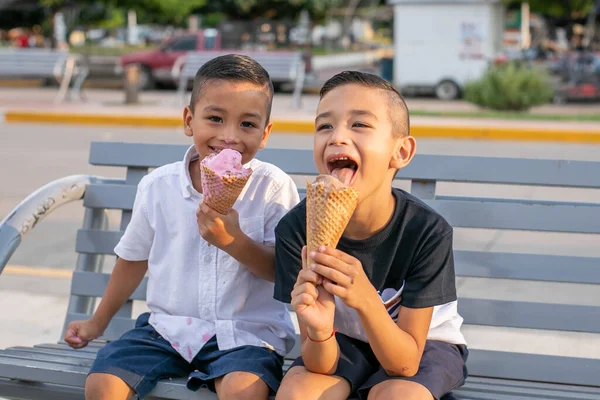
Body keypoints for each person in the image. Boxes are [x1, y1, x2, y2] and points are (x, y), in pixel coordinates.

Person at [64, 54, 299, 400]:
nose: (229, 136)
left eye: (247, 125)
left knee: (244, 390)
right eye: (215, 119)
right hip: (167, 330)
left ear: (265, 134)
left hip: (244, 334)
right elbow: (132, 259)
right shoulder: (159, 186)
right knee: (102, 384)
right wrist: (97, 322)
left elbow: (283, 271)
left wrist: (234, 242)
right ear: (189, 120)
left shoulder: (273, 187)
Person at [273, 71, 468, 400]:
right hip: (343, 341)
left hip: (421, 348)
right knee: (298, 392)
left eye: (359, 124)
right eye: (325, 125)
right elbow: (319, 364)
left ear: (401, 152)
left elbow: (404, 364)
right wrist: (319, 331)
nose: (337, 137)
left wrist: (364, 298)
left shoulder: (426, 232)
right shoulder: (297, 230)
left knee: (396, 395)